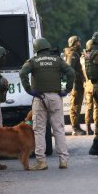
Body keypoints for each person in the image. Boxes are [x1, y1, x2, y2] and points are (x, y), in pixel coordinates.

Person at [19, 38, 75, 170]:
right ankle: (63, 160)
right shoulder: (57, 60)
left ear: (36, 49)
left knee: (39, 130)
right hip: (55, 97)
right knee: (59, 129)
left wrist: (29, 90)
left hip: (40, 97)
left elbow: (22, 73)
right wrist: (67, 89)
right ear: (48, 47)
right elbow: (71, 72)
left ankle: (41, 161)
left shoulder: (32, 61)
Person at [64, 35, 86, 136]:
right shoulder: (72, 54)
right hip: (76, 84)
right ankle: (75, 128)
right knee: (75, 106)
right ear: (74, 43)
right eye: (78, 42)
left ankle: (76, 126)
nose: (79, 43)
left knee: (77, 106)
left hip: (78, 84)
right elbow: (69, 69)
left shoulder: (76, 53)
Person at [80, 39, 97, 135]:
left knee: (89, 107)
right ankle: (96, 128)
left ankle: (88, 128)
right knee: (96, 108)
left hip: (87, 85)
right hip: (95, 84)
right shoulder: (94, 57)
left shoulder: (82, 58)